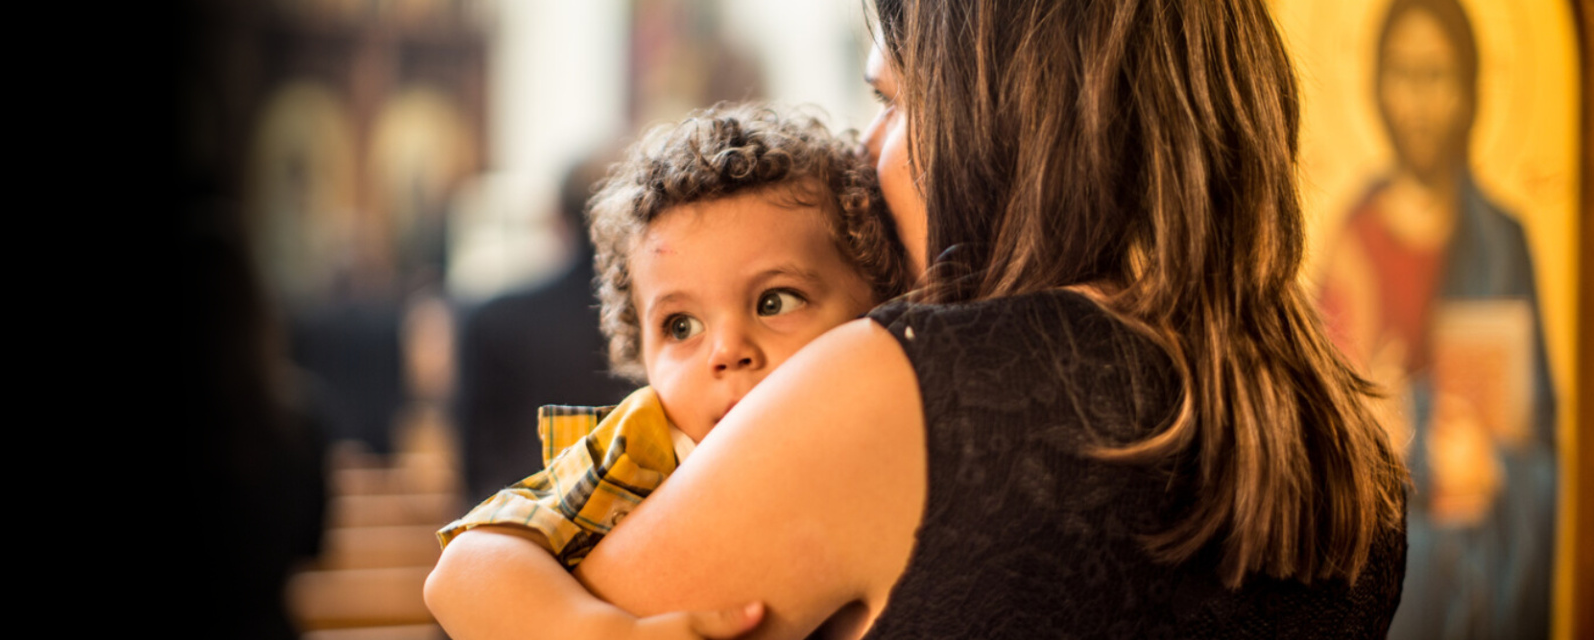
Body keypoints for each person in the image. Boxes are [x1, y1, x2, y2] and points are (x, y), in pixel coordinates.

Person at [426, 0, 1410, 637]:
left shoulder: (903, 387)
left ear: (1001, 124)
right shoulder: (1339, 439)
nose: (869, 150)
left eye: (893, 101)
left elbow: (481, 608)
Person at [433, 102, 911, 570]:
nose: (727, 351)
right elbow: (464, 566)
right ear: (640, 354)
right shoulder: (639, 457)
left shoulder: (907, 442)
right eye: (682, 327)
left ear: (879, 300)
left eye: (775, 302)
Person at [1314, 0, 1557, 636]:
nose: (1418, 101)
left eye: (1436, 75)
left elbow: (1547, 448)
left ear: (1470, 86)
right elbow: (1314, 441)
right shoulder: (1352, 245)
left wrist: (1499, 469)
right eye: (1402, 73)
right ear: (1374, 82)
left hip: (1477, 573)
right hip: (1389, 577)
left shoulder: (1503, 244)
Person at [452, 154, 641, 510]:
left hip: (516, 519)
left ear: (557, 219)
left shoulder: (493, 318)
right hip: (634, 520)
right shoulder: (654, 317)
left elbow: (471, 455)